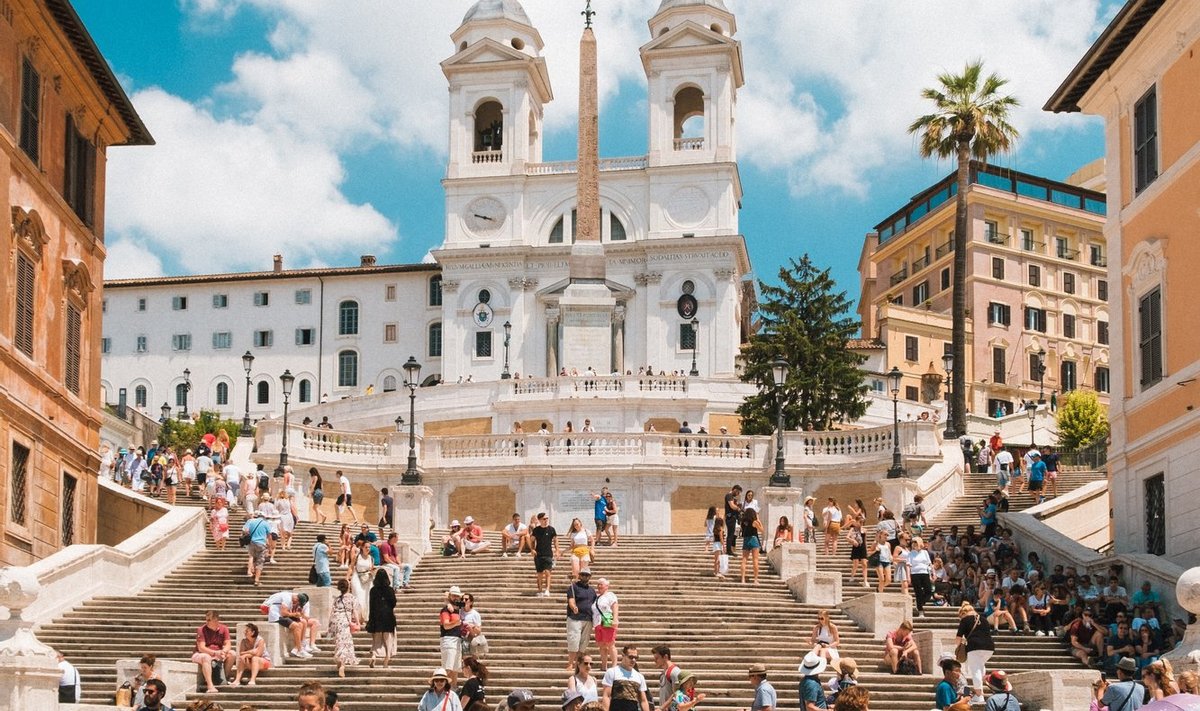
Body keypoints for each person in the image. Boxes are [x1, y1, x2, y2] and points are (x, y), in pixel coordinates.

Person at [955, 602, 994, 704]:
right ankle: (980, 687)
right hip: (989, 648)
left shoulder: (965, 620)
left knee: (975, 669)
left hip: (974, 647)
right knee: (980, 666)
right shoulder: (984, 619)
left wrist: (959, 647)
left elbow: (958, 638)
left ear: (964, 613)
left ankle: (979, 696)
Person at [263, 591, 319, 658]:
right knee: (296, 626)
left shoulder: (289, 597)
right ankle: (300, 650)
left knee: (301, 623)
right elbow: (283, 613)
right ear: (297, 599)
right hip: (276, 616)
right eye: (298, 602)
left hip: (279, 614)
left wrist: (295, 615)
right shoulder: (287, 598)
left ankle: (298, 648)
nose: (297, 604)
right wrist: (294, 614)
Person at [191, 610, 232, 693]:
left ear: (216, 620)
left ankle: (224, 678)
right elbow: (201, 648)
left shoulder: (224, 628)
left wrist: (223, 652)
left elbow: (228, 644)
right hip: (201, 654)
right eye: (206, 619)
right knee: (206, 657)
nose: (206, 622)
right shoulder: (201, 629)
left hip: (217, 653)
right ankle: (210, 686)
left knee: (232, 654)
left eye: (209, 620)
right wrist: (215, 653)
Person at [362, 568, 396, 668]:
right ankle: (386, 658)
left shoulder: (373, 590)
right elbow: (393, 603)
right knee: (387, 640)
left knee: (376, 640)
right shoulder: (390, 590)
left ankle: (374, 655)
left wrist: (370, 618)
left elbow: (371, 605)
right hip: (388, 616)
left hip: (376, 616)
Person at [601, 646, 651, 711]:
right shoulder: (612, 672)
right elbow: (606, 696)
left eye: (635, 658)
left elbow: (643, 700)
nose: (633, 660)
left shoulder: (639, 676)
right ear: (623, 655)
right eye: (630, 657)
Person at [567, 569, 597, 670]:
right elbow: (571, 600)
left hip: (588, 618)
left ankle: (577, 664)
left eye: (587, 575)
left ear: (590, 577)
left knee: (584, 643)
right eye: (583, 575)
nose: (585, 576)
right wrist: (573, 607)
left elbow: (594, 604)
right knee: (574, 640)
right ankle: (570, 663)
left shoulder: (592, 591)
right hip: (575, 618)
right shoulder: (573, 587)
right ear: (579, 576)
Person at [440, 586, 465, 685]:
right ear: (450, 596)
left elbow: (468, 601)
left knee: (455, 669)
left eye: (457, 596)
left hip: (457, 640)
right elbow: (446, 625)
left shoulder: (458, 608)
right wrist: (456, 623)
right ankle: (439, 687)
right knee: (448, 668)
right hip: (448, 639)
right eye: (453, 595)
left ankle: (453, 690)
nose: (456, 597)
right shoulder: (445, 610)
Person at [593, 577, 619, 671]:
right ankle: (604, 666)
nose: (599, 586)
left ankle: (614, 665)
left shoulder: (610, 595)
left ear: (607, 586)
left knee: (610, 643)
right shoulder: (597, 597)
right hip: (597, 622)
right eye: (598, 584)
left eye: (601, 584)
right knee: (601, 644)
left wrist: (615, 619)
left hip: (607, 617)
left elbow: (615, 606)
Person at [531, 513, 559, 597]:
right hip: (538, 554)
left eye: (547, 518)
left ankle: (547, 590)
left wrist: (557, 550)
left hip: (548, 554)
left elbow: (555, 540)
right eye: (544, 519)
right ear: (539, 520)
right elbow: (531, 540)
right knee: (539, 574)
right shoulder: (536, 530)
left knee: (547, 572)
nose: (546, 520)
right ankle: (539, 590)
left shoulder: (551, 529)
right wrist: (532, 549)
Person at [242, 512, 270, 587]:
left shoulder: (251, 521)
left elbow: (245, 530)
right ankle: (256, 580)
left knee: (253, 558)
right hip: (261, 543)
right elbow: (268, 535)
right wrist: (269, 545)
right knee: (260, 561)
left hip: (252, 543)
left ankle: (253, 572)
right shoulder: (265, 523)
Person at [651, 645, 683, 711]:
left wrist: (661, 708)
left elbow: (678, 693)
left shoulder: (675, 672)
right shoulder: (664, 673)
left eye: (657, 658)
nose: (654, 661)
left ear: (665, 657)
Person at [909, 537, 933, 617]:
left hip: (925, 572)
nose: (915, 544)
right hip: (915, 573)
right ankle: (920, 610)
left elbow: (929, 563)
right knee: (918, 592)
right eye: (913, 543)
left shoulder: (925, 552)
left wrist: (933, 573)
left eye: (916, 543)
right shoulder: (911, 553)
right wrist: (908, 576)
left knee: (928, 591)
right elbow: (908, 565)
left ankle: (919, 602)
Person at [740, 508, 764, 584]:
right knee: (755, 560)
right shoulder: (754, 522)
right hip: (753, 539)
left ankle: (743, 579)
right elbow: (762, 530)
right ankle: (755, 579)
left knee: (744, 560)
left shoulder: (743, 522)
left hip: (746, 540)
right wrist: (759, 520)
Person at [461, 592, 488, 659]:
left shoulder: (475, 614)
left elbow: (479, 631)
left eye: (466, 599)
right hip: (460, 638)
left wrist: (472, 626)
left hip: (471, 639)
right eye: (462, 599)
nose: (464, 601)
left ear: (471, 602)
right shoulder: (458, 611)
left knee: (471, 661)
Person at [724, 485, 743, 555]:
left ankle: (730, 550)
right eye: (738, 492)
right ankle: (729, 551)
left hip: (733, 517)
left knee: (732, 534)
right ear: (735, 490)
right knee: (730, 534)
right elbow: (732, 506)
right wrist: (739, 508)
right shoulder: (729, 495)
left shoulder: (732, 497)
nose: (738, 494)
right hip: (730, 517)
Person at [711, 516, 728, 580]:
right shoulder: (720, 528)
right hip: (718, 544)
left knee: (716, 559)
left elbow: (714, 538)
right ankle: (717, 572)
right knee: (718, 560)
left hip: (715, 544)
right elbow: (721, 538)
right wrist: (724, 546)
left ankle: (715, 571)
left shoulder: (715, 528)